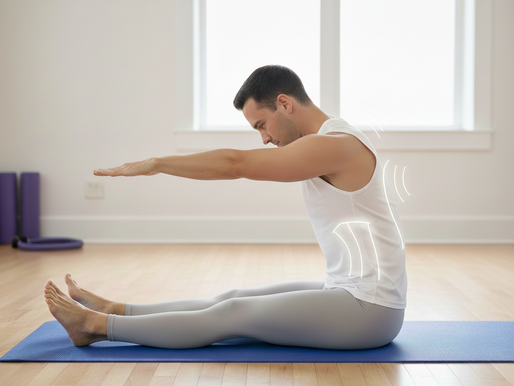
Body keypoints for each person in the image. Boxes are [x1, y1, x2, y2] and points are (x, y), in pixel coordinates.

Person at [44, 65, 407, 350]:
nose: (264, 138)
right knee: (232, 298)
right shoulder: (326, 142)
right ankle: (115, 310)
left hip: (370, 310)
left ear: (285, 103)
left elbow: (236, 164)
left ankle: (93, 327)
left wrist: (156, 163)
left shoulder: (336, 144)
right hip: (344, 291)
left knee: (233, 315)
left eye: (262, 125)